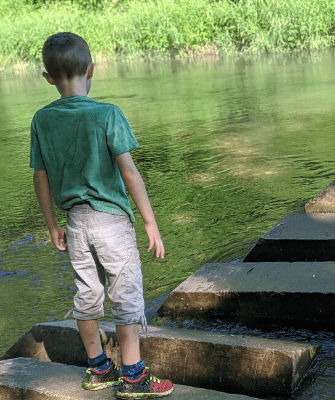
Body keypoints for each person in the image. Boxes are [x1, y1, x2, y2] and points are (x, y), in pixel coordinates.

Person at [30, 32, 173, 399]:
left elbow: (41, 178)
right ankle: (134, 376)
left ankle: (98, 369)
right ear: (91, 70)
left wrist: (51, 225)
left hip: (75, 224)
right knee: (125, 298)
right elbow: (129, 172)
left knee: (87, 295)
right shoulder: (107, 113)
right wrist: (150, 222)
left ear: (48, 78)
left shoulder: (41, 120)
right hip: (111, 221)